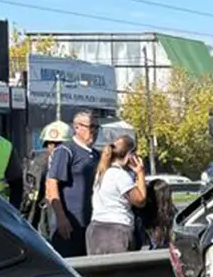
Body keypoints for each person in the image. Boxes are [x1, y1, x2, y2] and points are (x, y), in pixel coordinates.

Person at [46, 109, 100, 258]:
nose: (94, 132)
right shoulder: (66, 150)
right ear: (77, 127)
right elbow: (51, 184)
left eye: (97, 127)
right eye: (91, 127)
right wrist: (61, 219)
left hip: (90, 225)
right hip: (69, 225)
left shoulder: (96, 155)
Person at [86, 136, 148, 257]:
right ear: (130, 155)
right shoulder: (120, 175)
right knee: (120, 273)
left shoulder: (102, 172)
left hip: (95, 229)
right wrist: (140, 173)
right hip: (117, 230)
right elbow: (140, 200)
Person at [20, 120, 72, 234]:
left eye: (57, 144)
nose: (53, 148)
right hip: (40, 217)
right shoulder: (37, 163)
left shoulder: (73, 162)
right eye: (50, 144)